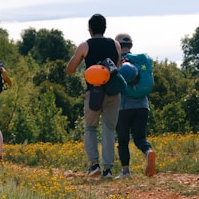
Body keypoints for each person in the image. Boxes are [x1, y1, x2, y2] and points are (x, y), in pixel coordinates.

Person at [66, 14, 122, 178]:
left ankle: (94, 165)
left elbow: (70, 70)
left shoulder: (85, 45)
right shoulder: (115, 44)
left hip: (94, 93)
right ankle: (108, 170)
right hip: (112, 92)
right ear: (105, 28)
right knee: (109, 129)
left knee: (90, 128)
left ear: (90, 29)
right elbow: (116, 67)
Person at [114, 33, 156, 178]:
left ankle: (125, 171)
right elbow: (151, 83)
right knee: (140, 138)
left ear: (117, 46)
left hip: (124, 108)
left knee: (123, 140)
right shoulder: (141, 62)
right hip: (142, 106)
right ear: (131, 46)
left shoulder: (118, 62)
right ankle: (148, 152)